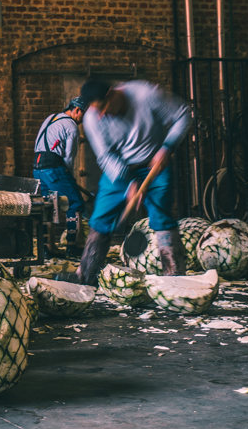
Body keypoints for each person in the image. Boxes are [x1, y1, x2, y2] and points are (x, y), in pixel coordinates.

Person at [61, 78, 193, 286]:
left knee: (162, 216)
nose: (102, 114)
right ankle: (85, 276)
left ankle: (175, 278)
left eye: (103, 107)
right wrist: (130, 182)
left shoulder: (146, 95)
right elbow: (105, 157)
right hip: (120, 170)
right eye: (97, 110)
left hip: (154, 164)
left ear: (113, 93)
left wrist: (167, 147)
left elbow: (183, 114)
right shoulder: (93, 119)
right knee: (101, 218)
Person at [33, 97, 87, 256]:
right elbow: (69, 158)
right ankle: (73, 246)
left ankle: (47, 249)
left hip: (37, 167)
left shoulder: (51, 118)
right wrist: (68, 177)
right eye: (84, 115)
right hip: (54, 166)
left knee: (47, 206)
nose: (83, 120)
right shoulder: (71, 126)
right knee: (75, 203)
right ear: (77, 110)